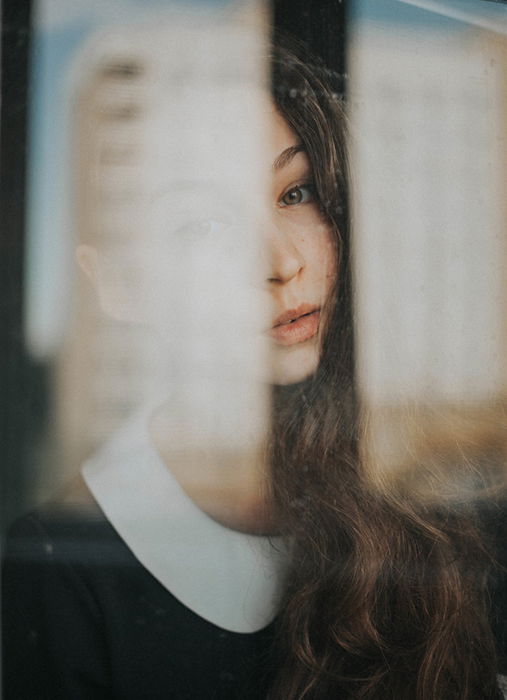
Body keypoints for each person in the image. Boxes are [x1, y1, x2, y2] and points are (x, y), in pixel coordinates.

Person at [3, 35, 507, 700]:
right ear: (120, 284)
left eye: (295, 192)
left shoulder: (445, 491)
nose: (277, 263)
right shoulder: (60, 564)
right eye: (199, 227)